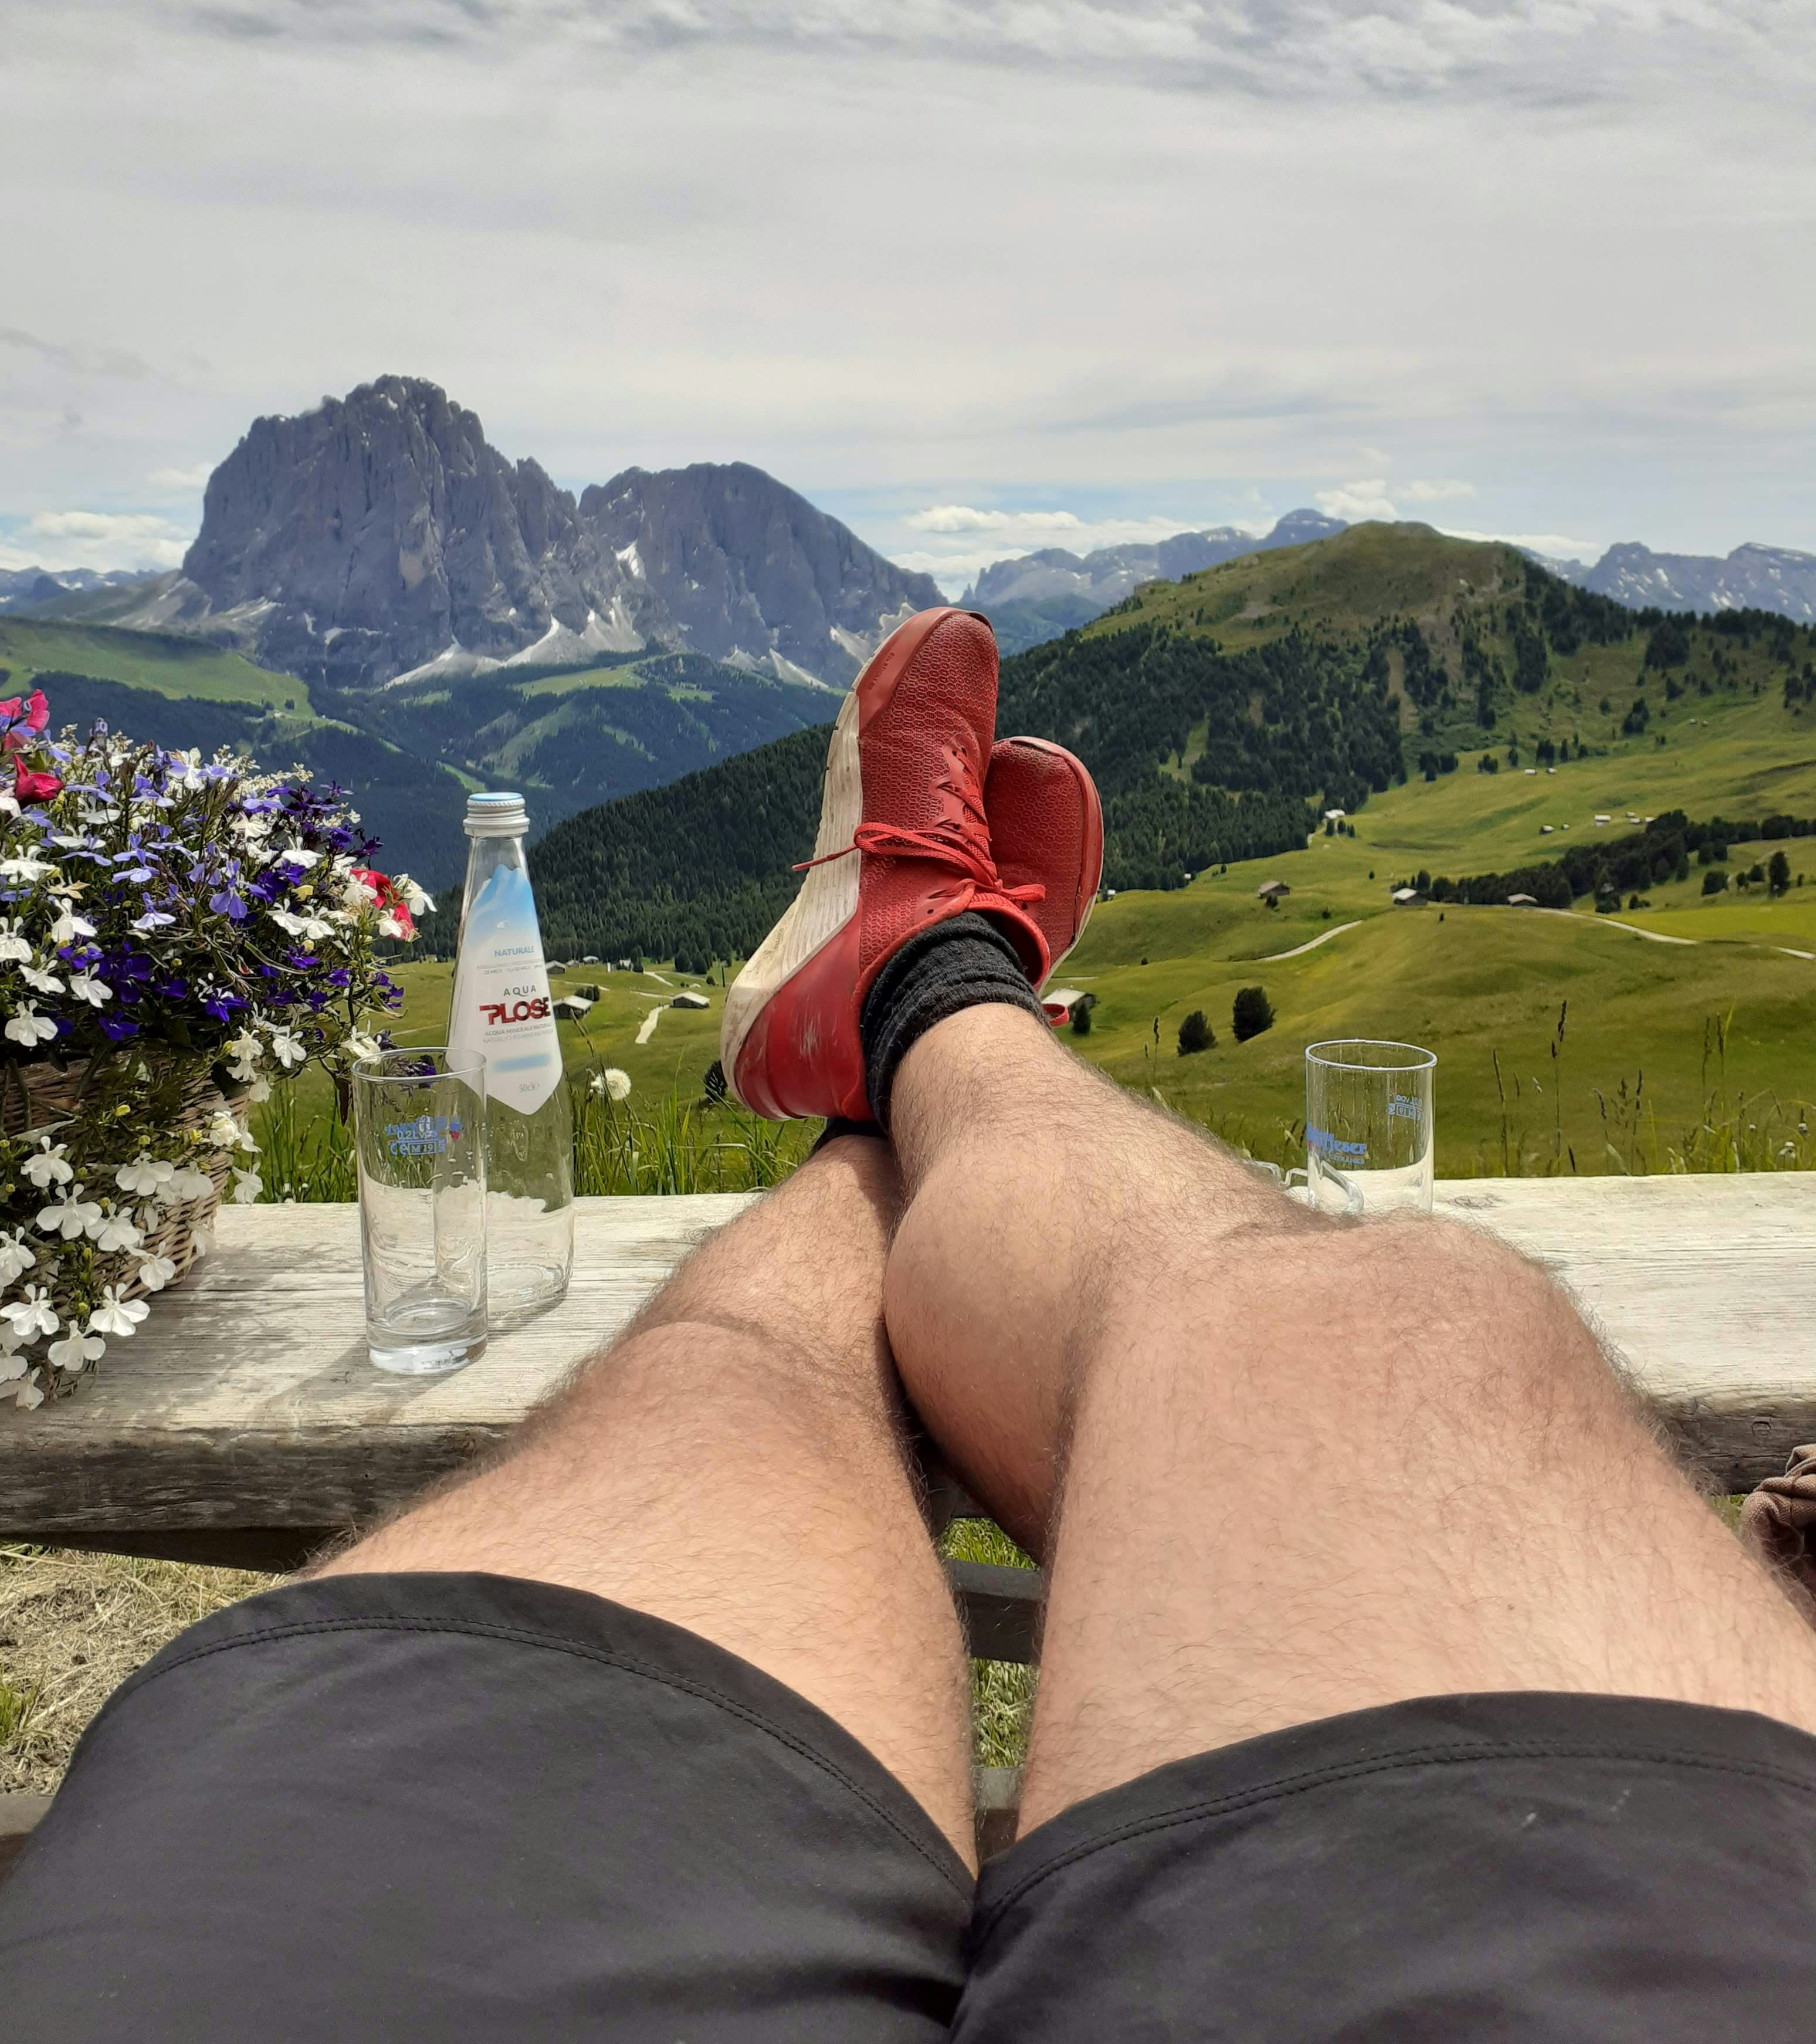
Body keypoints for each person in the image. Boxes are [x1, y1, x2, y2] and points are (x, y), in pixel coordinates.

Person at [6, 606, 1816, 2038]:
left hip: (304, 1923)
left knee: (754, 1380)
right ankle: (931, 1005)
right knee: (1407, 1319)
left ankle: (902, 1012)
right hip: (1666, 1922)